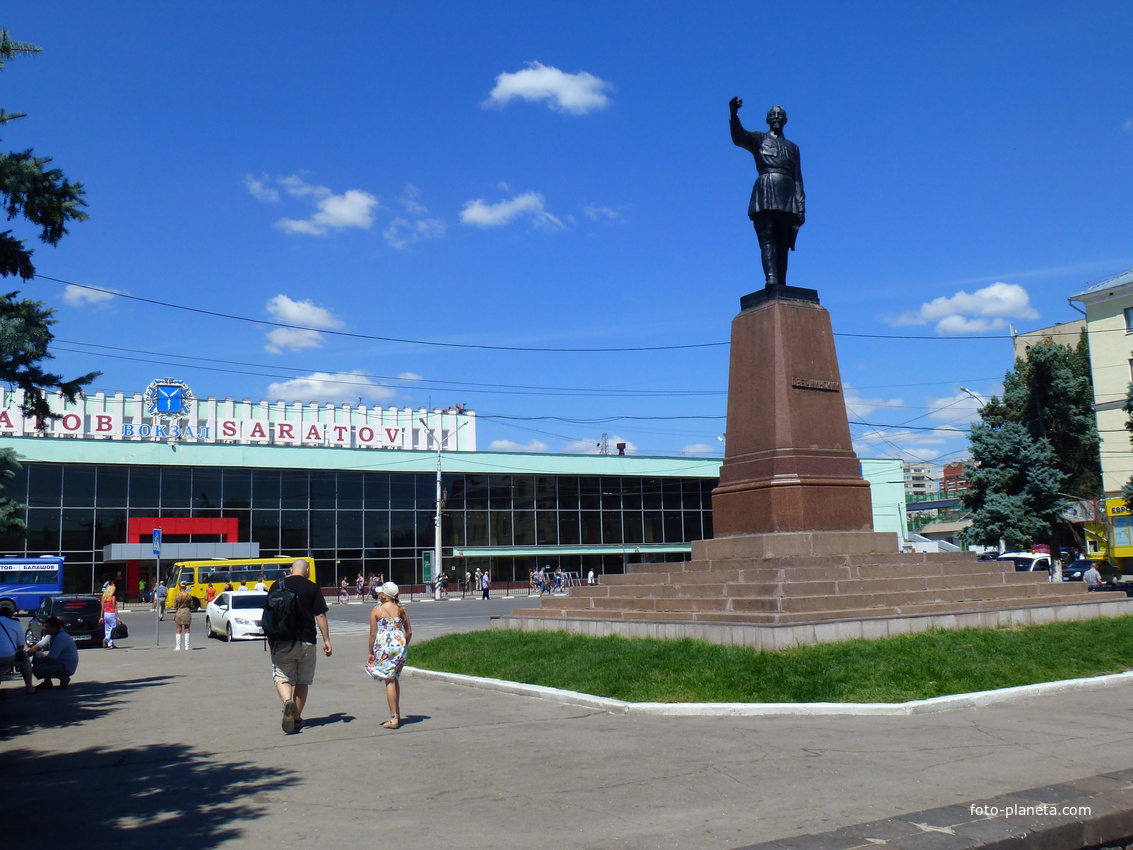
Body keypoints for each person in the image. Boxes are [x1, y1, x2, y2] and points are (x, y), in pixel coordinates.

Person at [729, 97, 805, 288]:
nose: (777, 118)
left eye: (780, 115)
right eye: (773, 115)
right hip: (765, 189)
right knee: (768, 238)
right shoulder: (759, 139)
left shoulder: (793, 148)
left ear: (786, 120)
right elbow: (739, 137)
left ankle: (782, 283)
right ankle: (771, 278)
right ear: (767, 120)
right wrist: (733, 114)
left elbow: (798, 179)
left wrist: (801, 207)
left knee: (784, 243)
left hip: (787, 195)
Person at [269, 559, 331, 734]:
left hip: (281, 640)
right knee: (303, 680)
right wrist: (326, 639)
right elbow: (320, 615)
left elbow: (269, 615)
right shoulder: (312, 587)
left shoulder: (276, 585)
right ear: (308, 570)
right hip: (307, 641)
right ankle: (296, 718)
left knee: (282, 676)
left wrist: (270, 639)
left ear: (290, 569)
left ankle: (287, 701)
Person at [365, 581, 412, 730]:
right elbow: (409, 631)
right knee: (394, 678)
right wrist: (404, 645)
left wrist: (370, 652)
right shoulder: (401, 610)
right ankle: (396, 712)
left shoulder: (376, 611)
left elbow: (373, 633)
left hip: (384, 647)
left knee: (389, 681)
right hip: (399, 645)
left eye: (381, 593)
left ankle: (393, 718)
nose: (379, 595)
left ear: (385, 596)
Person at [26, 615, 79, 690]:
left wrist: (35, 663)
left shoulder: (61, 637)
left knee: (37, 668)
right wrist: (24, 656)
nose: (45, 629)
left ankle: (63, 678)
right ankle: (47, 683)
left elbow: (51, 658)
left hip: (66, 666)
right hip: (59, 662)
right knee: (38, 655)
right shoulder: (51, 636)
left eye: (47, 627)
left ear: (54, 627)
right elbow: (37, 647)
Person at [0, 607, 35, 694]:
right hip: (9, 657)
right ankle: (30, 687)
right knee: (25, 659)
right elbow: (21, 647)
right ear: (11, 615)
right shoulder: (15, 623)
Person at [173, 581, 194, 650]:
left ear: (180, 588)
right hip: (187, 612)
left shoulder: (177, 595)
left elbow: (175, 606)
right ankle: (187, 646)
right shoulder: (189, 595)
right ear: (186, 587)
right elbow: (192, 606)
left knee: (178, 629)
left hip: (179, 612)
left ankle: (178, 647)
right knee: (187, 629)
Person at [100, 585, 120, 649]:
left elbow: (102, 608)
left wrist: (101, 617)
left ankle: (110, 644)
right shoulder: (113, 597)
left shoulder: (104, 597)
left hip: (106, 614)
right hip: (111, 614)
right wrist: (118, 617)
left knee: (107, 629)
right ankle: (106, 639)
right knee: (113, 629)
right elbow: (114, 607)